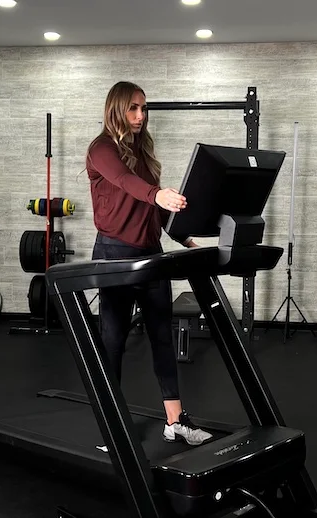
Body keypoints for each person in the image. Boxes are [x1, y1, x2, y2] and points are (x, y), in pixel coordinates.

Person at [85, 81, 213, 446]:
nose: (141, 116)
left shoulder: (142, 152)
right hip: (114, 254)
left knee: (162, 337)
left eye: (144, 108)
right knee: (113, 340)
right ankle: (110, 424)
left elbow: (149, 212)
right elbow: (126, 184)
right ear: (116, 109)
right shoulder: (101, 149)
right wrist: (158, 193)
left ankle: (175, 421)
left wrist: (184, 237)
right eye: (133, 108)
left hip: (150, 253)